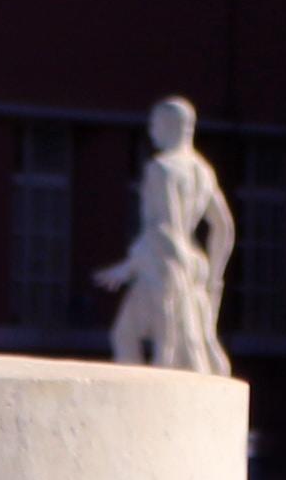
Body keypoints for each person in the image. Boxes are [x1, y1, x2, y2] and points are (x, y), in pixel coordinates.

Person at [98, 99, 234, 376]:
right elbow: (224, 228)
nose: (151, 130)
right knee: (181, 348)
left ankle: (136, 402)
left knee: (135, 339)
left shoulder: (161, 169)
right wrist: (213, 274)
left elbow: (163, 229)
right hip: (191, 267)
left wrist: (129, 266)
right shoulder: (203, 171)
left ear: (173, 126)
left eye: (155, 123)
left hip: (162, 267)